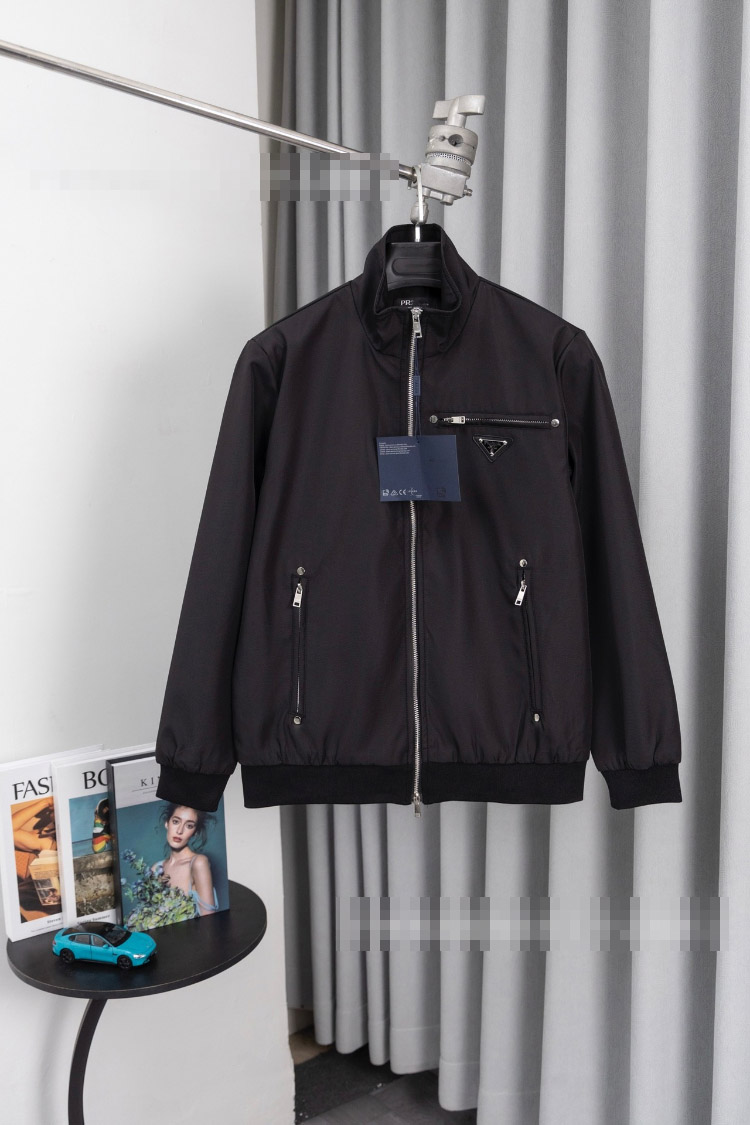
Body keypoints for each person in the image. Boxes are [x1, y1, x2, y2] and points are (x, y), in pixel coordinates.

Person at [150, 803, 218, 917]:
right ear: (167, 823)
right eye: (176, 822)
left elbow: (209, 919)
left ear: (195, 832)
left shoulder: (198, 863)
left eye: (189, 826)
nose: (180, 831)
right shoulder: (156, 868)